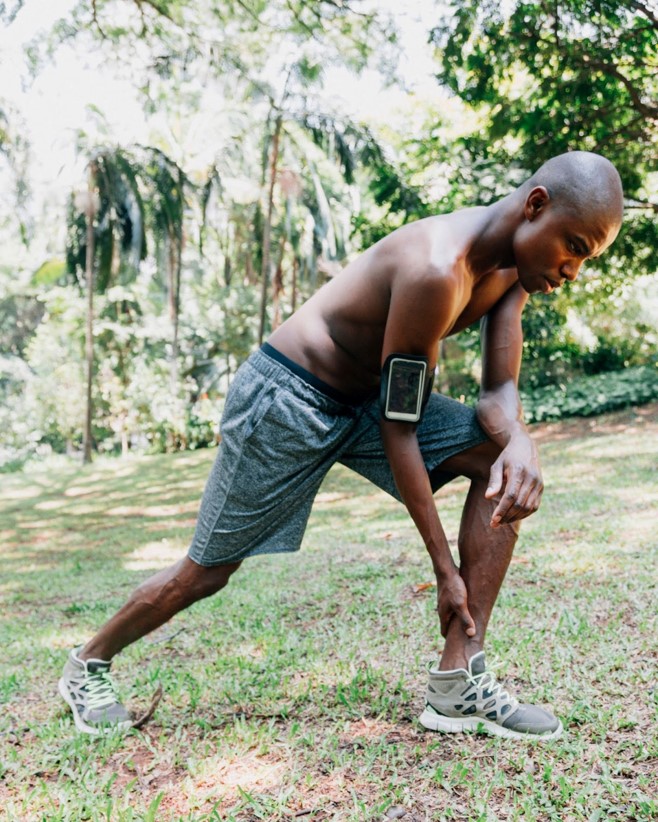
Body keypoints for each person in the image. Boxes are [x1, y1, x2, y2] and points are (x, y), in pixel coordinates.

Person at [59, 151, 624, 738]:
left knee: (496, 459)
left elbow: (498, 390)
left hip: (369, 399)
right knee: (208, 570)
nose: (573, 270)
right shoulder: (437, 268)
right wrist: (443, 568)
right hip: (290, 399)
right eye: (575, 247)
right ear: (536, 206)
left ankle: (457, 684)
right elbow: (398, 427)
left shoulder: (512, 271)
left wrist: (521, 443)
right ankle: (88, 661)